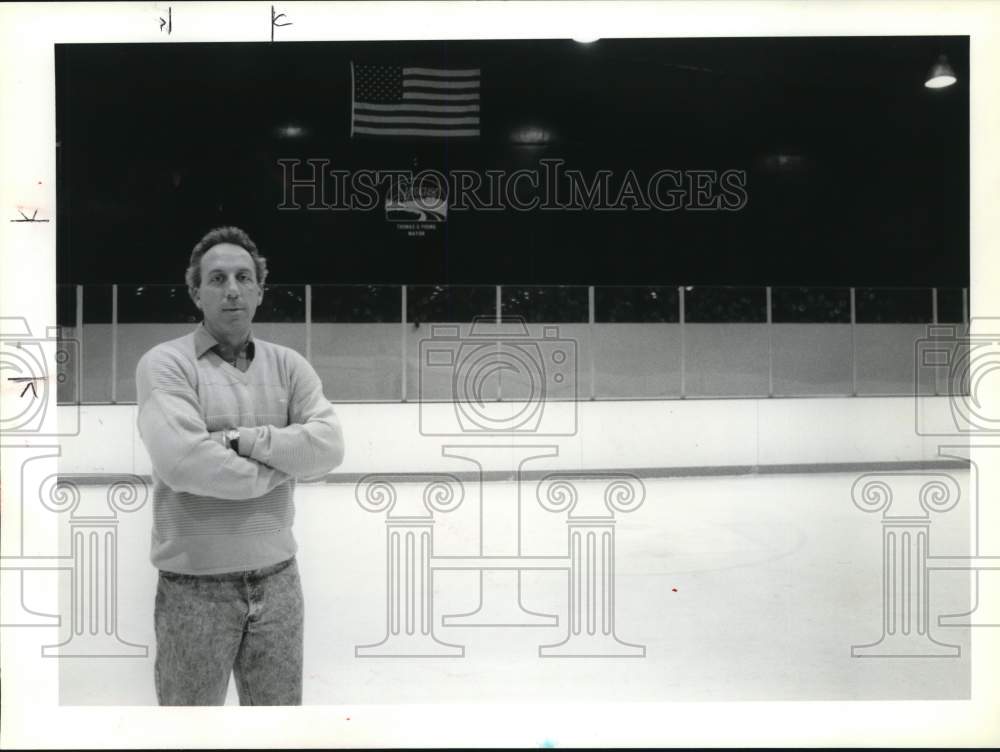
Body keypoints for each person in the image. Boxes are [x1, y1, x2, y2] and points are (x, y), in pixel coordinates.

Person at [135, 226, 344, 705]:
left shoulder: (289, 365)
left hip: (278, 583)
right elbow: (185, 463)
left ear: (259, 290)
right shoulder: (166, 364)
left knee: (278, 731)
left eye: (244, 277)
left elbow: (329, 447)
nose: (232, 289)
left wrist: (240, 440)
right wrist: (285, 463)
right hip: (194, 591)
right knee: (189, 735)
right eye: (217, 278)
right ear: (196, 291)